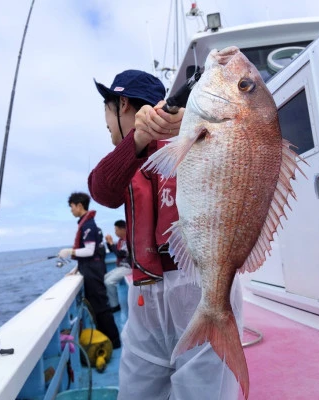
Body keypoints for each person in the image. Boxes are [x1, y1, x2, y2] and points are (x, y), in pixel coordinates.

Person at [88, 70, 243, 399]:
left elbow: (245, 153)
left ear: (123, 104)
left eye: (107, 109)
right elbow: (101, 190)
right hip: (146, 296)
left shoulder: (201, 130)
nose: (106, 122)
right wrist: (138, 139)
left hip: (204, 281)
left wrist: (200, 126)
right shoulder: (128, 153)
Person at [58, 192, 121, 348]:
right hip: (89, 268)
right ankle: (106, 340)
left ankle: (114, 342)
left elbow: (89, 250)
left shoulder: (88, 226)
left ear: (79, 205)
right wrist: (76, 268)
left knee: (101, 306)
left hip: (93, 271)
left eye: (72, 207)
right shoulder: (87, 224)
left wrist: (70, 252)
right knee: (98, 306)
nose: (71, 210)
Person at [104, 219, 131, 313]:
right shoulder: (121, 241)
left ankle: (115, 306)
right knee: (105, 278)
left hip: (129, 267)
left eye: (116, 230)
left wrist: (111, 243)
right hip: (121, 267)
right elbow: (113, 251)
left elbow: (120, 254)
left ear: (123, 229)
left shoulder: (128, 240)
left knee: (109, 282)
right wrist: (108, 243)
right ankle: (110, 301)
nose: (115, 232)